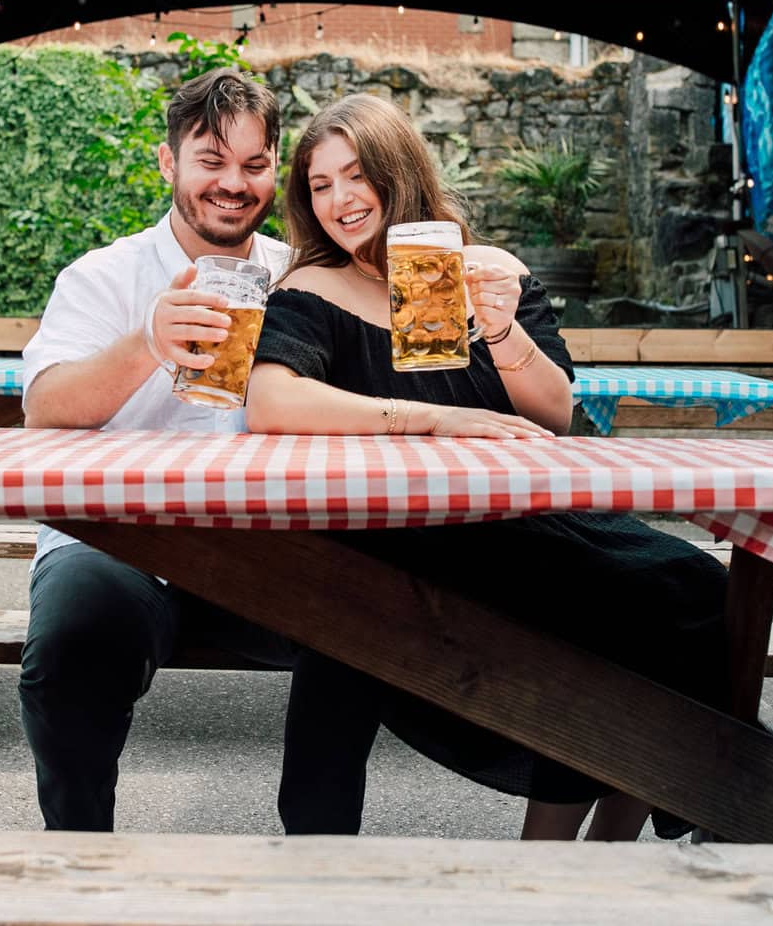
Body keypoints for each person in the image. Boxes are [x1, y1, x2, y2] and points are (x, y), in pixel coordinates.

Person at [244, 93, 731, 842]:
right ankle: (544, 854)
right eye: (319, 184)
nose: (339, 199)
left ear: (396, 171)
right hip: (404, 534)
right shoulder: (314, 289)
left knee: (694, 589)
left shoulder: (490, 271)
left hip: (524, 519)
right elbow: (271, 399)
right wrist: (434, 417)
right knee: (345, 639)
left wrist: (500, 331)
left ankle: (599, 843)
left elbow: (553, 415)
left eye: (354, 176)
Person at [17, 67, 294, 832]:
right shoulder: (104, 276)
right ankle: (83, 865)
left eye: (253, 164)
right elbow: (45, 408)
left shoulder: (300, 278)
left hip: (266, 541)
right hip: (122, 535)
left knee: (387, 632)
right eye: (211, 160)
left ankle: (321, 869)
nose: (233, 185)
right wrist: (147, 341)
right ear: (169, 163)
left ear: (276, 167)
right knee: (73, 646)